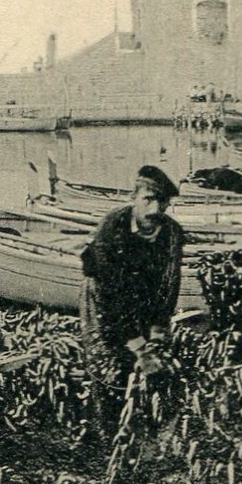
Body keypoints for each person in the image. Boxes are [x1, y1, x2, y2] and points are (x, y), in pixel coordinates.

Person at [79, 165, 186, 408]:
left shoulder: (172, 233)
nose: (155, 209)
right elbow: (111, 295)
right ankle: (106, 415)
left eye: (162, 202)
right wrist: (139, 348)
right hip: (101, 296)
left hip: (144, 293)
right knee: (109, 363)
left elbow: (169, 287)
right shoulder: (111, 229)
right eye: (148, 200)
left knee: (156, 363)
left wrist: (158, 334)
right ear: (133, 198)